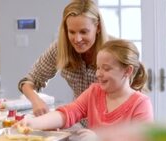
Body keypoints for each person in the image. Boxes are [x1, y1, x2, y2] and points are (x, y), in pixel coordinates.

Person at [15, 39, 153, 140]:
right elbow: (67, 114)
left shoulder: (140, 104)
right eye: (98, 67)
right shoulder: (94, 92)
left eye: (106, 68)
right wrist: (32, 123)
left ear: (127, 71)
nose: (98, 73)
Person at [18, 0, 111, 117]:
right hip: (80, 122)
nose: (77, 39)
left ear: (98, 28)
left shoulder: (114, 51)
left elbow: (137, 95)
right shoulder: (61, 47)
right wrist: (36, 101)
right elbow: (28, 81)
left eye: (84, 32)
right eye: (72, 32)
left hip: (112, 125)